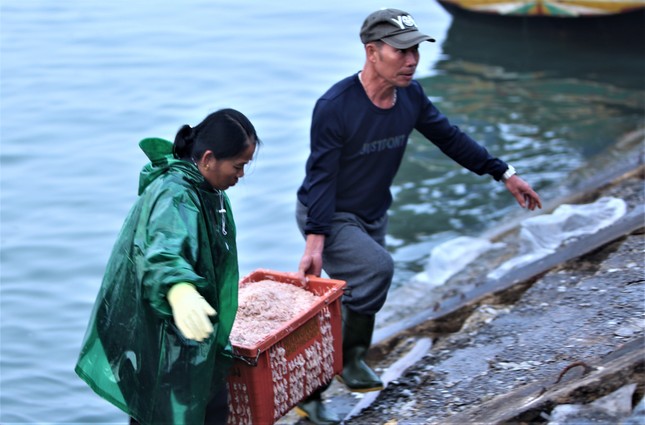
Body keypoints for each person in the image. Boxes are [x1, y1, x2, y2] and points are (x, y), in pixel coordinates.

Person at [294, 8, 541, 425]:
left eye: (416, 51)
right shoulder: (334, 106)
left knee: (358, 296)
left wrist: (503, 172)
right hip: (330, 213)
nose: (411, 60)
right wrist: (315, 240)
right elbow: (321, 177)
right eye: (401, 51)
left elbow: (449, 137)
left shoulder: (410, 96)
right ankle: (345, 365)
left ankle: (318, 387)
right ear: (372, 52)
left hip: (373, 212)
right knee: (376, 271)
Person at [75, 108, 260, 425]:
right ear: (208, 159)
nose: (240, 175)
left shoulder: (209, 190)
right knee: (162, 414)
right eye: (238, 166)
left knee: (206, 409)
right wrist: (179, 290)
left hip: (191, 332)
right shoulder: (174, 195)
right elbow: (162, 251)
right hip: (161, 332)